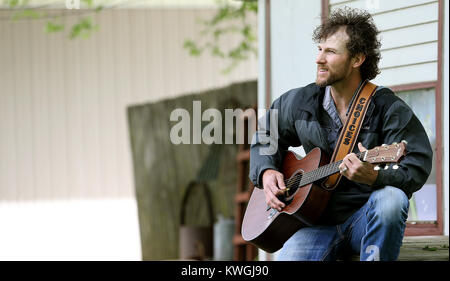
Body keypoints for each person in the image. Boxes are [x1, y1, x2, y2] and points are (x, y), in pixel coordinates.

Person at [249, 7, 433, 261]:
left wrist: (374, 178)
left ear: (357, 59)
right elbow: (265, 135)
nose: (319, 59)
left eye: (331, 52)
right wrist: (266, 172)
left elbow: (417, 164)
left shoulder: (388, 109)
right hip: (314, 226)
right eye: (320, 49)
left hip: (364, 222)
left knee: (392, 199)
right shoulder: (300, 101)